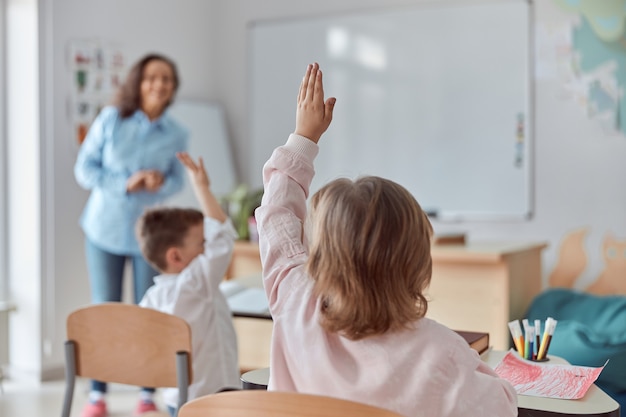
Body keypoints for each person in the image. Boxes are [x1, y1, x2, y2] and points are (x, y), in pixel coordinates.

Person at [254, 62, 518, 417]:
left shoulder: (294, 302)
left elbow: (277, 216)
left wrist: (304, 137)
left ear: (318, 259)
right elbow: (502, 407)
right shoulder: (444, 355)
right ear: (419, 264)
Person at [74, 53, 188, 417]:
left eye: (166, 79)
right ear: (138, 82)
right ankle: (97, 395)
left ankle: (146, 394)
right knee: (104, 311)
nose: (159, 84)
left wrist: (160, 182)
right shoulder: (111, 120)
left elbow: (177, 179)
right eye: (152, 77)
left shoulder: (177, 133)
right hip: (104, 229)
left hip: (147, 237)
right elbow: (84, 169)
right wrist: (126, 183)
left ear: (172, 87)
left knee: (148, 313)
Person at [138, 151, 240, 416]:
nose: (207, 249)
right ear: (176, 256)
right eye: (201, 244)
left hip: (175, 397)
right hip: (213, 395)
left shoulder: (151, 298)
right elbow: (222, 238)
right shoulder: (196, 283)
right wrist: (201, 188)